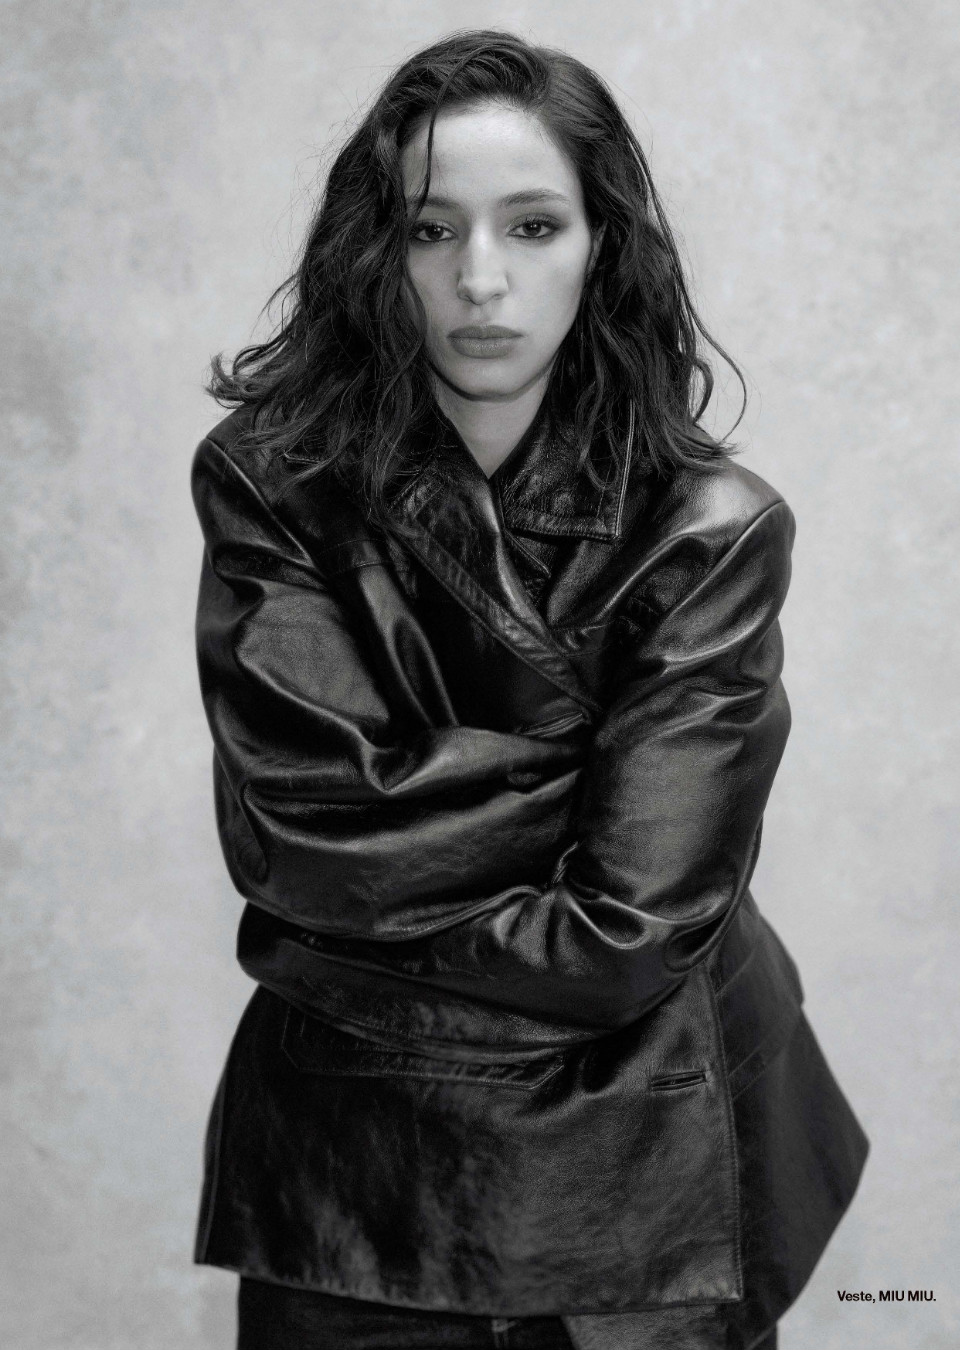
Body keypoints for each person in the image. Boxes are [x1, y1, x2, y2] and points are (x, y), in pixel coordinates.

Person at [190, 30, 869, 1350]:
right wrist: (588, 782)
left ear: (603, 245)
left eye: (534, 224)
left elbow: (627, 933)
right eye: (430, 228)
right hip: (357, 1164)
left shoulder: (712, 527)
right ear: (373, 252)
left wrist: (346, 922)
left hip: (656, 1151)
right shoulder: (271, 483)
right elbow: (298, 832)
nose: (480, 279)